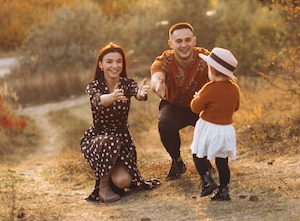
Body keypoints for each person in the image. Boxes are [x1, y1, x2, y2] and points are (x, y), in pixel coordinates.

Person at [81, 42, 159, 203]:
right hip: (99, 139)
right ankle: (103, 187)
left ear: (123, 64)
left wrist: (141, 93)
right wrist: (112, 97)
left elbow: (137, 94)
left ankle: (109, 175)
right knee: (111, 141)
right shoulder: (93, 86)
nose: (114, 65)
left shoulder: (127, 83)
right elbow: (98, 100)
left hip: (123, 140)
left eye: (119, 61)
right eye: (109, 61)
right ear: (101, 64)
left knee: (123, 182)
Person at [150, 22, 211, 180]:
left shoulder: (205, 57)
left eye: (187, 40)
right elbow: (156, 76)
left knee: (212, 123)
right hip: (174, 104)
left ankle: (204, 159)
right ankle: (177, 162)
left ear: (194, 40)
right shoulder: (164, 60)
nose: (184, 45)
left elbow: (217, 75)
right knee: (165, 125)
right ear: (171, 44)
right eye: (178, 41)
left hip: (199, 104)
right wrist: (158, 85)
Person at [190, 47, 240, 201]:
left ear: (211, 69)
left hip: (208, 127)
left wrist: (198, 97)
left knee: (197, 153)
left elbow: (195, 107)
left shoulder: (209, 88)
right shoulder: (234, 89)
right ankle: (224, 191)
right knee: (222, 161)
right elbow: (236, 107)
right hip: (226, 129)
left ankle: (207, 181)